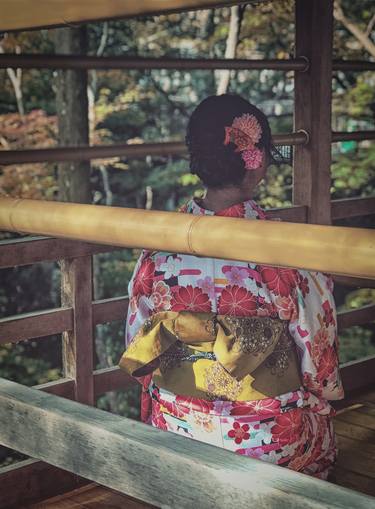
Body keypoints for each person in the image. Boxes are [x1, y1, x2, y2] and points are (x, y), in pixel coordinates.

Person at [119, 94, 344, 480]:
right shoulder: (286, 249)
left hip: (179, 429)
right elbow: (319, 363)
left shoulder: (157, 246)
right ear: (255, 164)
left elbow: (138, 345)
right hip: (268, 439)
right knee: (318, 431)